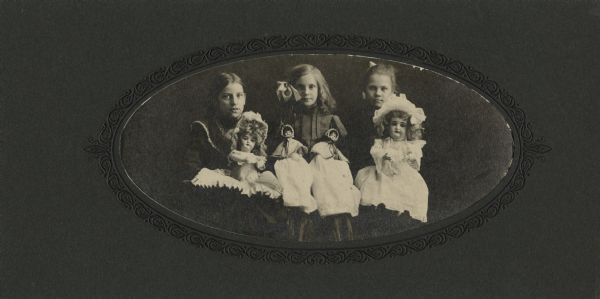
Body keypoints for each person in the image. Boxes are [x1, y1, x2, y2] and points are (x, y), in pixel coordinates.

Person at [354, 95, 429, 222]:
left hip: (403, 173)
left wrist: (411, 158)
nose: (397, 128)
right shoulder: (383, 142)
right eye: (394, 124)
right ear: (387, 125)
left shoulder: (410, 145)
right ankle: (381, 210)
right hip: (383, 172)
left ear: (409, 128)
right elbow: (376, 153)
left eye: (402, 125)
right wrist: (384, 155)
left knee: (408, 190)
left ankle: (399, 211)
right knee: (377, 185)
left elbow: (416, 164)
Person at [191, 111, 282, 199]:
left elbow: (261, 166)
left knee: (267, 176)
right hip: (237, 176)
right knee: (243, 169)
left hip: (252, 179)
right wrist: (248, 158)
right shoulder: (236, 153)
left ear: (256, 143)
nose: (248, 142)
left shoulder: (256, 156)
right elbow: (235, 156)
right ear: (239, 139)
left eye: (252, 140)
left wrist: (259, 162)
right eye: (245, 138)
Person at [184, 72, 248, 179]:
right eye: (226, 97)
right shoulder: (203, 129)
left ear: (244, 99)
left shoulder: (252, 126)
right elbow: (191, 167)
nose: (235, 102)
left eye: (239, 96)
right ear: (215, 100)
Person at [275, 64, 348, 152]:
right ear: (292, 89)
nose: (306, 92)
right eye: (300, 87)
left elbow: (343, 150)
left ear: (319, 89)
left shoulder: (331, 120)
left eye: (311, 87)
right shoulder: (289, 118)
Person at [347, 62, 400, 175]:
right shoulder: (358, 117)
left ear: (392, 91)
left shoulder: (397, 115)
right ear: (364, 90)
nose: (378, 93)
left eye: (383, 89)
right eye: (372, 88)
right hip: (366, 169)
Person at [310, 128, 361, 241]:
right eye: (331, 135)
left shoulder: (334, 148)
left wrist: (339, 159)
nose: (332, 138)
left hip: (333, 167)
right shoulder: (322, 146)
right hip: (325, 167)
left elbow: (339, 156)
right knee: (324, 168)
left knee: (343, 166)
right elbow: (319, 155)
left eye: (334, 136)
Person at [271, 124, 316, 241]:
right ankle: (291, 199)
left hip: (295, 162)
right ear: (283, 134)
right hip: (285, 163)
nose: (287, 134)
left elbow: (303, 150)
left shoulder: (296, 142)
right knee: (285, 176)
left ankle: (301, 198)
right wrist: (282, 157)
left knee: (299, 177)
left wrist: (298, 154)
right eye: (285, 133)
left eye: (289, 132)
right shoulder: (282, 144)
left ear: (292, 133)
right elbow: (277, 153)